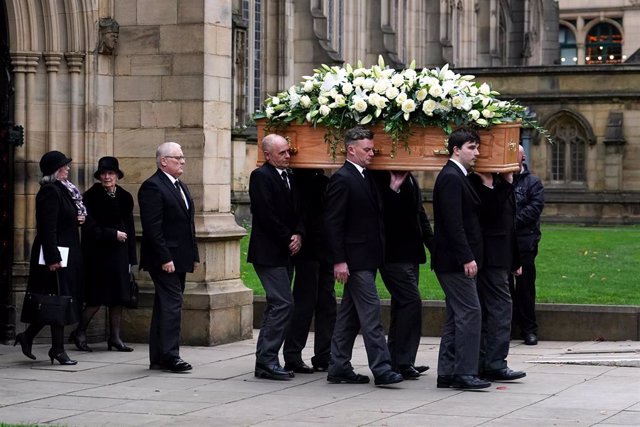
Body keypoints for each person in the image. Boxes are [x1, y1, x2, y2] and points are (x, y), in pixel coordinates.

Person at [324, 127, 403, 387]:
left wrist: (392, 187)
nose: (372, 153)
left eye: (372, 149)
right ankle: (382, 368)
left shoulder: (365, 177)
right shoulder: (342, 178)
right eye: (367, 149)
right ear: (351, 149)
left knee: (350, 316)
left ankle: (338, 366)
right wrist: (339, 260)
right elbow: (333, 223)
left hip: (368, 257)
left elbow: (374, 213)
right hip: (355, 261)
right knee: (371, 315)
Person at [431, 128, 489, 390]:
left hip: (452, 260)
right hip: (455, 261)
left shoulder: (459, 176)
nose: (476, 153)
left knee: (457, 314)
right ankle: (465, 373)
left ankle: (447, 372)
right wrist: (467, 257)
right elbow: (453, 223)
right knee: (470, 312)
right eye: (472, 148)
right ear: (456, 149)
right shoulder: (452, 177)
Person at [16, 151, 85, 365]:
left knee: (56, 299)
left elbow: (63, 219)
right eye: (64, 166)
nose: (67, 169)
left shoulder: (64, 190)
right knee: (59, 299)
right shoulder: (50, 192)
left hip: (66, 252)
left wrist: (77, 219)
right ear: (55, 171)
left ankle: (27, 336)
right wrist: (53, 258)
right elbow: (47, 227)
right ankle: (57, 349)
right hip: (54, 255)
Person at [138, 142, 199, 372]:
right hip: (164, 259)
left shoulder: (179, 185)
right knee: (172, 305)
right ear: (163, 161)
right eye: (177, 157)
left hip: (180, 256)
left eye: (183, 157)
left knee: (165, 306)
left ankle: (158, 357)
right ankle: (171, 355)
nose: (182, 161)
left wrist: (193, 254)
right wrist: (165, 258)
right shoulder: (152, 186)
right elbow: (153, 228)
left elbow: (187, 225)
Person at [248, 134, 304, 380]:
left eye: (288, 152)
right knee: (283, 303)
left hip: (286, 250)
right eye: (282, 153)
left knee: (277, 303)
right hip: (269, 252)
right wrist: (287, 237)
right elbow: (265, 213)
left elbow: (300, 209)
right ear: (267, 155)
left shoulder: (290, 176)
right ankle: (267, 360)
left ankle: (266, 359)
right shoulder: (260, 176)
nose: (287, 156)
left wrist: (299, 234)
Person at [69, 156, 137, 353]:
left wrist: (131, 258)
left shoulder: (124, 196)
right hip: (98, 255)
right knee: (95, 298)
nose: (107, 177)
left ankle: (115, 337)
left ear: (117, 175)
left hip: (120, 255)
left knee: (118, 298)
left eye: (111, 173)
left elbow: (130, 229)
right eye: (104, 174)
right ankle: (80, 332)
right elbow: (88, 226)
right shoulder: (90, 197)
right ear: (99, 176)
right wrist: (111, 234)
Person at [372, 170, 433, 380]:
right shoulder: (380, 177)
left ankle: (400, 360)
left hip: (410, 253)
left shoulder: (409, 177)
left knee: (402, 305)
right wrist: (392, 190)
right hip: (392, 254)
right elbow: (379, 214)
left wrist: (433, 245)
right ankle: (402, 361)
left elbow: (419, 214)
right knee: (411, 302)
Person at [470, 171, 526, 382]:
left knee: (496, 311)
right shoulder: (480, 183)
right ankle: (493, 364)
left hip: (501, 257)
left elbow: (509, 225)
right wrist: (506, 183)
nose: (519, 163)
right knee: (500, 310)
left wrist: (515, 260)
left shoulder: (500, 183)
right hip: (490, 258)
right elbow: (490, 214)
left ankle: (488, 362)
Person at [283, 168, 336, 373]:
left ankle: (324, 354)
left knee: (327, 303)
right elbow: (301, 212)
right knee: (305, 302)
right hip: (308, 248)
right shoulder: (300, 180)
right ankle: (293, 355)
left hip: (325, 248)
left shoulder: (324, 181)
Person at [510, 145, 544, 345]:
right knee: (503, 288)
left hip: (525, 242)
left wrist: (509, 222)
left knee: (525, 288)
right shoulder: (498, 181)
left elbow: (534, 209)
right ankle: (506, 328)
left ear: (522, 158)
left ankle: (529, 329)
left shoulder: (533, 182)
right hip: (503, 244)